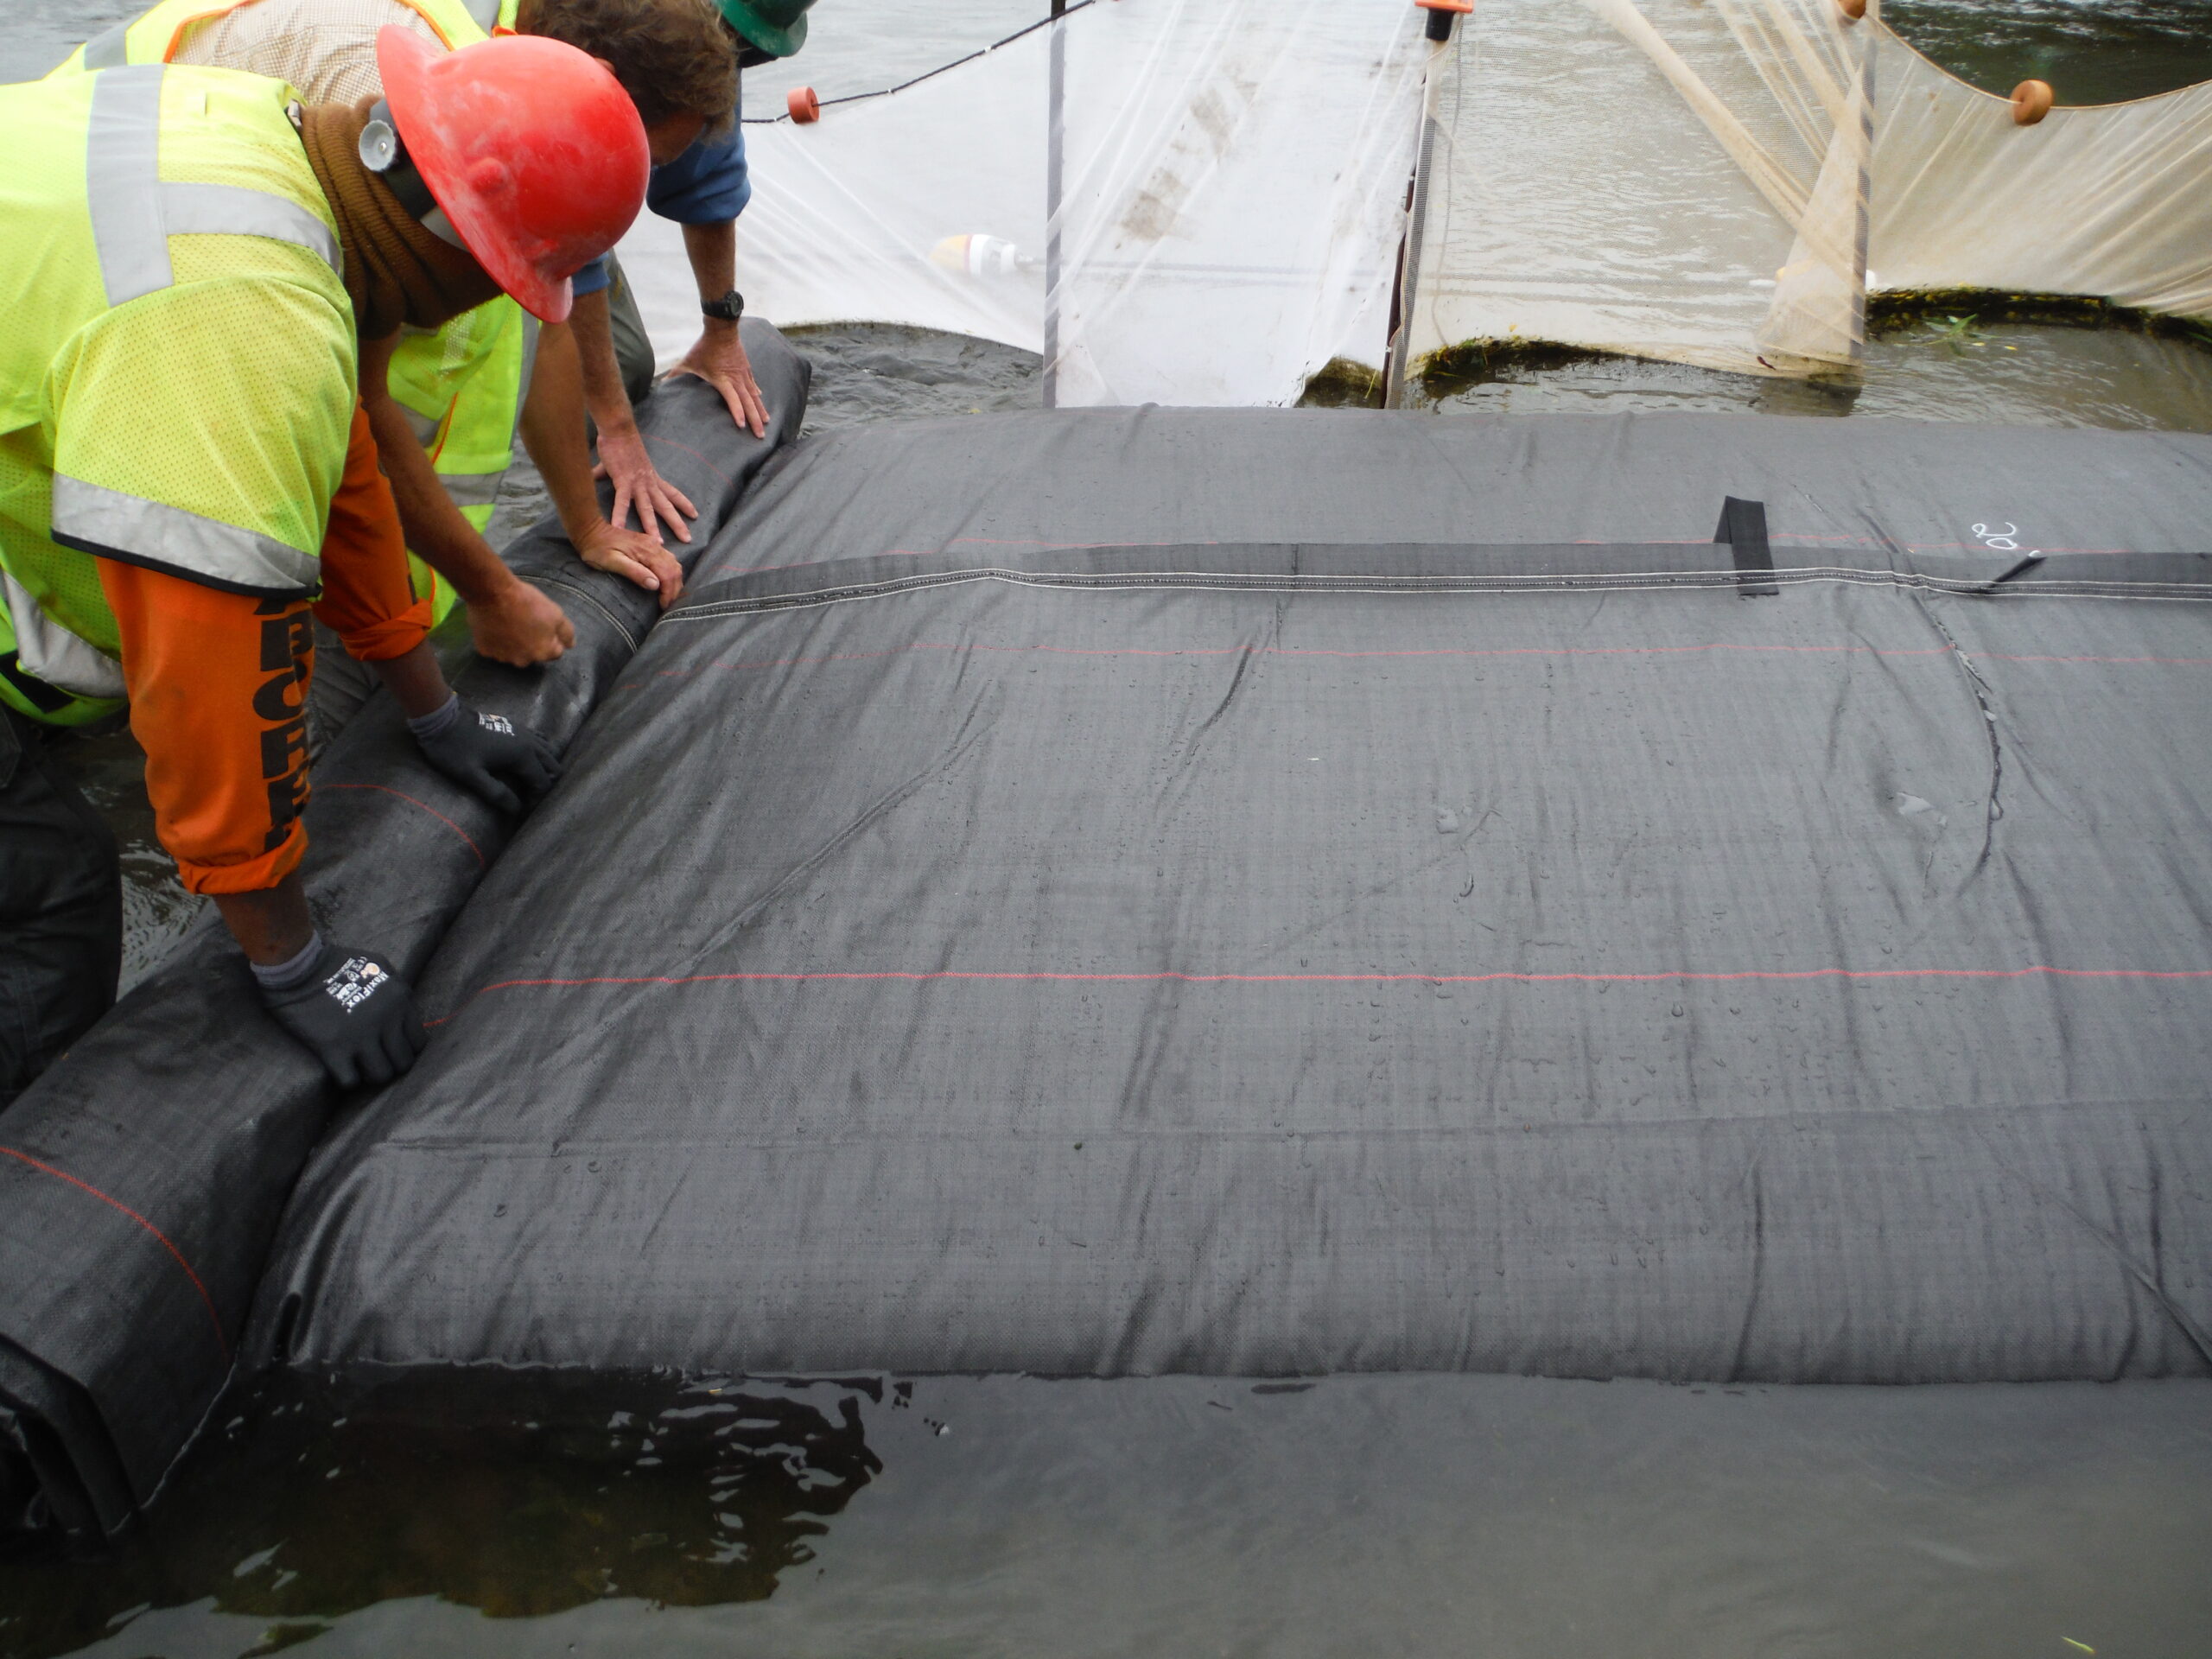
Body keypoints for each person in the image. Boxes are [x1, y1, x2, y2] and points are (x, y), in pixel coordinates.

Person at [0, 29, 650, 1102]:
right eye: (499, 281)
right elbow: (209, 671)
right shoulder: (242, 324)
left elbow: (344, 463)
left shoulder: (264, 139)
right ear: (454, 244)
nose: (483, 309)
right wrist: (292, 959)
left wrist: (427, 701)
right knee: (50, 900)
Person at [55, 0, 741, 710]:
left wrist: (588, 528)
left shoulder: (491, 111)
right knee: (188, 582)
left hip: (139, 220)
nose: (639, 183)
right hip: (109, 249)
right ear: (593, 95)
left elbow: (545, 326)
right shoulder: (387, 122)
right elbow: (361, 408)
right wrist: (489, 594)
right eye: (644, 159)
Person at [543, 0, 816, 538]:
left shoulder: (692, 50)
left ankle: (586, 492)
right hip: (476, 160)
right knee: (513, 369)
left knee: (621, 365)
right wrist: (617, 431)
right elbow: (574, 252)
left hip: (572, 161)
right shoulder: (570, 57)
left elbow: (707, 178)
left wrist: (722, 331)